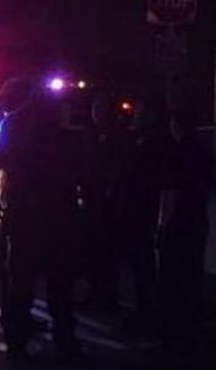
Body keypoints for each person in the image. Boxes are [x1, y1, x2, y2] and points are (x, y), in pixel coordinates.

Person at [0, 77, 84, 363]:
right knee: (60, 284)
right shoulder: (64, 128)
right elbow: (85, 171)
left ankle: (18, 343)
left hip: (24, 216)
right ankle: (65, 340)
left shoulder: (15, 128)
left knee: (21, 284)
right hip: (59, 216)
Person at [157, 105, 212, 352]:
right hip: (197, 219)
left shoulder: (175, 153)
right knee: (192, 274)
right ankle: (192, 325)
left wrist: (163, 225)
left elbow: (171, 193)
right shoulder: (203, 151)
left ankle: (172, 334)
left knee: (171, 278)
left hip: (178, 223)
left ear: (177, 125)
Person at [120, 97, 169, 335]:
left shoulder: (153, 142)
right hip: (136, 208)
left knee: (144, 261)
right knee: (139, 261)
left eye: (140, 112)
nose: (135, 115)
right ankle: (144, 307)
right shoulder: (139, 138)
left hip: (144, 208)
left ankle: (149, 311)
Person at [82, 93, 130, 311]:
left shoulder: (117, 136)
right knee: (93, 249)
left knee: (108, 250)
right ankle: (95, 291)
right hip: (92, 198)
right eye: (94, 109)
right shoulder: (90, 134)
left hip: (109, 202)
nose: (96, 113)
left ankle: (108, 295)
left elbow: (118, 167)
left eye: (100, 109)